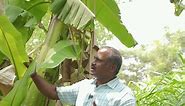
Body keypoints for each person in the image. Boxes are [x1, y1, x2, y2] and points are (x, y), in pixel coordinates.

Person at [31, 46, 136, 106]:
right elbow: (54, 93)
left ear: (112, 67)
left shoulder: (124, 96)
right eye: (94, 59)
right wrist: (33, 75)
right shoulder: (85, 86)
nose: (93, 63)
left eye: (99, 61)